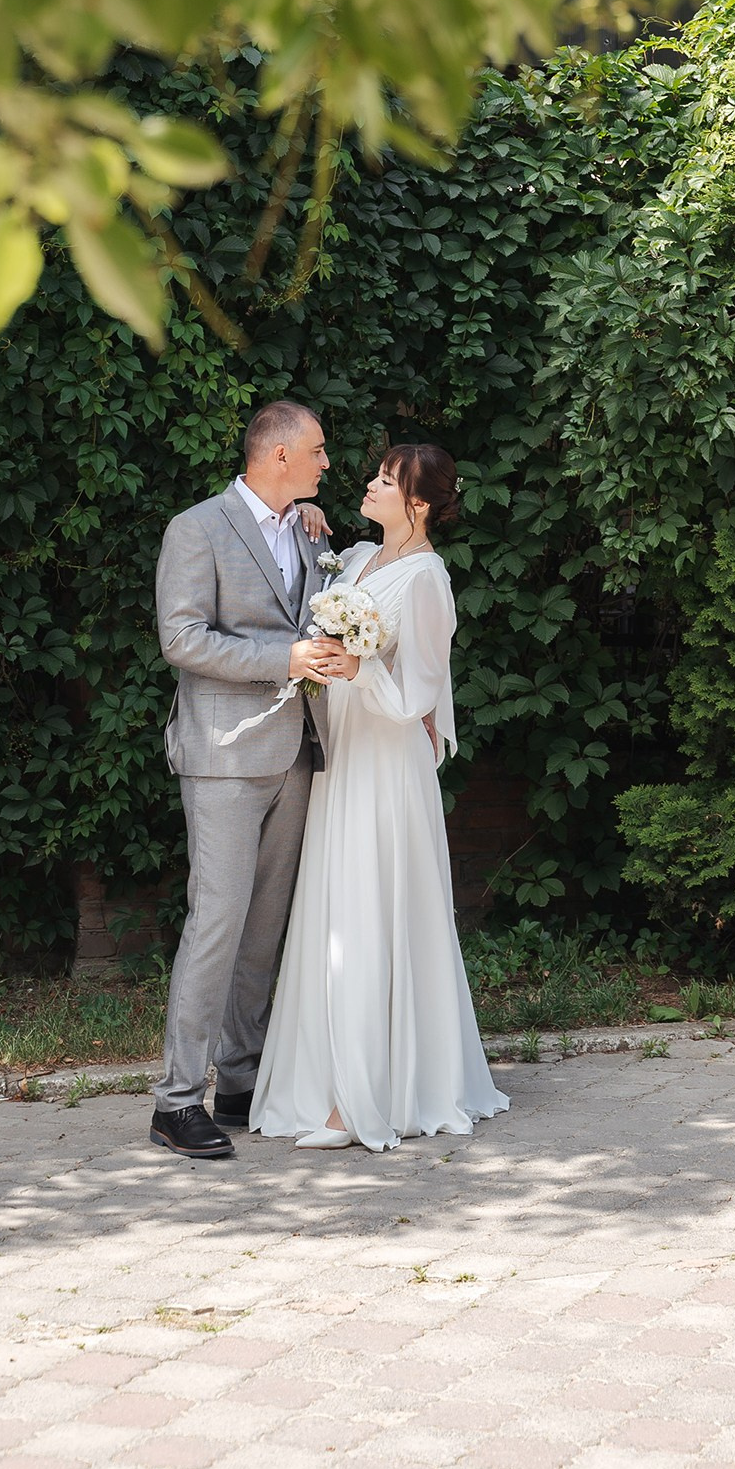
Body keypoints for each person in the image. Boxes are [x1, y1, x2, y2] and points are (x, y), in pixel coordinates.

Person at [252, 439, 509, 1152]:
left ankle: (362, 1096)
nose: (368, 484)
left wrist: (358, 668)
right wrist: (303, 516)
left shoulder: (427, 580)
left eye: (385, 480)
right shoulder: (361, 560)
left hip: (388, 768)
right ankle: (319, 1080)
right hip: (344, 761)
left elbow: (418, 696)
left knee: (372, 912)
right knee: (335, 911)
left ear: (418, 503)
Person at [148, 400, 354, 1162]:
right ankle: (175, 1101)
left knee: (263, 928)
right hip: (224, 757)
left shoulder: (307, 529)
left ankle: (237, 1080)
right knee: (216, 923)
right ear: (277, 457)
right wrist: (286, 660)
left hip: (295, 754)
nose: (326, 463)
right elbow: (181, 638)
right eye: (318, 451)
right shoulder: (196, 529)